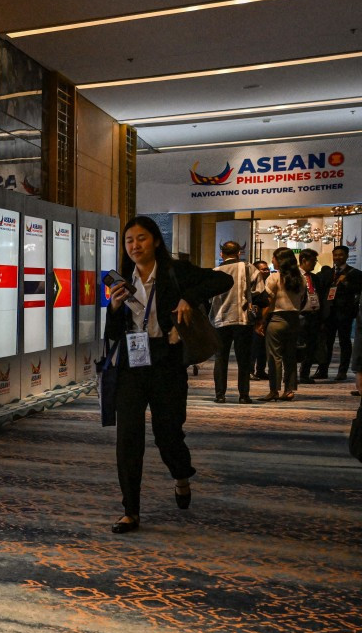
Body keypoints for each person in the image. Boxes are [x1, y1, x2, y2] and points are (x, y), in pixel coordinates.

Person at [105, 215, 231, 534]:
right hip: (132, 364)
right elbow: (111, 334)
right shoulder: (120, 280)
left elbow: (222, 281)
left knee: (168, 434)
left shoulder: (175, 271)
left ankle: (180, 474)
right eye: (129, 240)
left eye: (142, 238)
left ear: (156, 241)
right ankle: (130, 511)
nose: (135, 245)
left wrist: (189, 297)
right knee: (128, 438)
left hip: (166, 362)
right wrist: (114, 309)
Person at [209, 240, 263, 403]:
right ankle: (244, 395)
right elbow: (260, 293)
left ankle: (220, 395)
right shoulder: (249, 268)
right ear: (239, 253)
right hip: (243, 319)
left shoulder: (215, 272)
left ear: (221, 254)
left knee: (220, 358)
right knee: (244, 359)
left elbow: (209, 298)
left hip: (220, 320)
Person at [257, 246, 306, 402]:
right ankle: (289, 390)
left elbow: (269, 302)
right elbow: (303, 299)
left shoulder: (274, 277)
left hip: (277, 319)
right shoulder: (301, 278)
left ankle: (274, 390)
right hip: (294, 320)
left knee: (274, 357)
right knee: (290, 356)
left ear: (280, 260)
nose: (272, 260)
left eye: (274, 258)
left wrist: (261, 321)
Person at [315, 245, 362, 381]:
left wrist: (346, 282)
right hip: (329, 313)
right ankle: (323, 369)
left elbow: (358, 290)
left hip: (345, 313)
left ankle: (342, 371)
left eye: (341, 255)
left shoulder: (355, 273)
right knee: (327, 343)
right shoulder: (328, 273)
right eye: (335, 255)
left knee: (344, 342)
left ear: (347, 256)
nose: (337, 258)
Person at [297, 249, 328, 384]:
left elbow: (320, 296)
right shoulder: (294, 276)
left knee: (311, 346)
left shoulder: (314, 277)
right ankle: (290, 375)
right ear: (304, 260)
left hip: (314, 315)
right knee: (296, 346)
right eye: (313, 261)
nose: (315, 264)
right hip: (299, 315)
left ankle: (305, 373)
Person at [250, 259, 271, 380]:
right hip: (254, 320)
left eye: (267, 268)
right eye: (263, 269)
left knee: (263, 347)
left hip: (267, 318)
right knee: (253, 346)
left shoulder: (269, 282)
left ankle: (261, 370)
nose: (266, 271)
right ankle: (250, 370)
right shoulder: (253, 284)